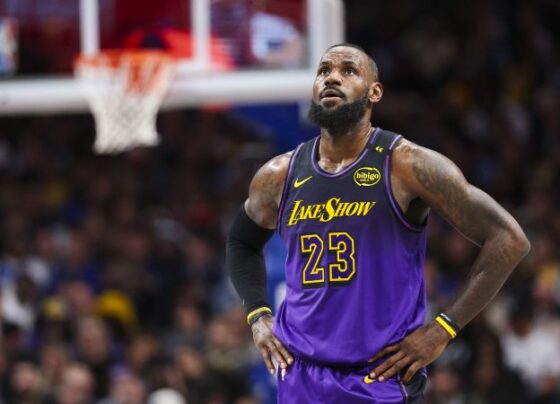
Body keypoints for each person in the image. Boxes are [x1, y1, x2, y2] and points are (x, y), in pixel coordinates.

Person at [226, 43, 530, 403]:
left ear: (375, 92)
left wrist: (443, 329)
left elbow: (509, 239)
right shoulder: (278, 175)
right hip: (300, 375)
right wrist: (259, 317)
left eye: (348, 71)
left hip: (378, 377)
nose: (332, 78)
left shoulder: (408, 166)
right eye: (324, 71)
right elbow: (241, 243)